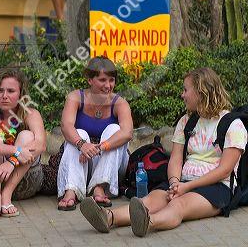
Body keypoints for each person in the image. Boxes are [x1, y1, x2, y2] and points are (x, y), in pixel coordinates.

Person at [80, 67, 247, 237]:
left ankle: (148, 222)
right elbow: (175, 159)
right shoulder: (186, 121)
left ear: (201, 92)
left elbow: (225, 170)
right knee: (150, 200)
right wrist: (175, 182)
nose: (182, 95)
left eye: (185, 90)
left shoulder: (233, 125)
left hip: (217, 187)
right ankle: (108, 217)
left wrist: (187, 187)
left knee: (178, 205)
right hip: (182, 181)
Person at [57, 56, 133, 211]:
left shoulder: (120, 103)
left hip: (112, 165)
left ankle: (99, 186)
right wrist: (82, 144)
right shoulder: (75, 97)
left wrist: (100, 147)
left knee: (115, 130)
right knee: (78, 133)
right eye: (102, 80)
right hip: (83, 161)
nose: (108, 85)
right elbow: (66, 126)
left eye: (111, 80)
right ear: (90, 80)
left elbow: (127, 133)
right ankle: (71, 190)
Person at [0, 68, 46, 221]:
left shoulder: (31, 114)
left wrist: (12, 161)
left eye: (11, 91)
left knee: (27, 136)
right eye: (0, 91)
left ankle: (6, 195)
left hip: (25, 182)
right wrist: (17, 151)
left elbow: (40, 144)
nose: (4, 96)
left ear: (20, 94)